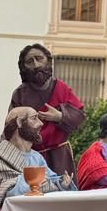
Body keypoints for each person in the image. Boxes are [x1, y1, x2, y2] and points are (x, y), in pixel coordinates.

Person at [8, 43, 86, 177]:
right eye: (30, 61)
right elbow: (10, 127)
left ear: (48, 61)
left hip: (60, 157)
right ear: (23, 67)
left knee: (62, 193)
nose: (36, 65)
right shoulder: (20, 94)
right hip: (30, 158)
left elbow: (80, 117)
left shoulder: (61, 88)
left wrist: (60, 116)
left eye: (39, 59)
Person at [0, 106, 62, 207]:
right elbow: (2, 191)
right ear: (19, 123)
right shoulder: (0, 158)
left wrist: (61, 182)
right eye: (34, 118)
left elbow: (52, 180)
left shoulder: (36, 157)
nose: (41, 123)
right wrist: (39, 185)